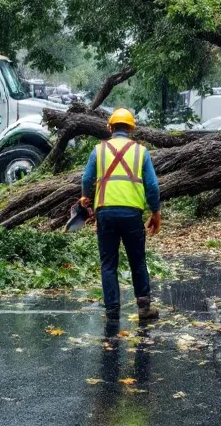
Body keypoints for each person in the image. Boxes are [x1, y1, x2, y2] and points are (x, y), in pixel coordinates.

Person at [80, 108, 162, 321]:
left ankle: (112, 311)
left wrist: (84, 197)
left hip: (105, 213)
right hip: (132, 214)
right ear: (131, 130)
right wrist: (155, 212)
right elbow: (152, 186)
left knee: (108, 263)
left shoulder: (98, 150)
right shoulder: (140, 152)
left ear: (110, 127)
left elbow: (87, 180)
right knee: (137, 259)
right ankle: (144, 308)